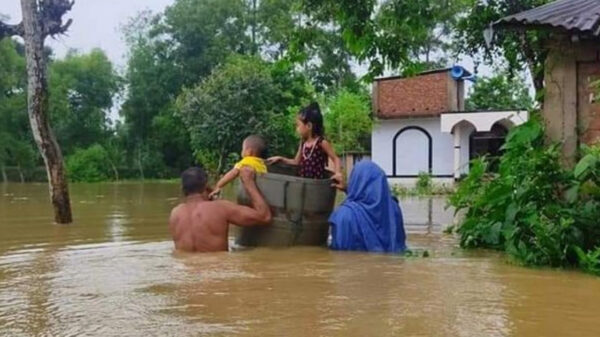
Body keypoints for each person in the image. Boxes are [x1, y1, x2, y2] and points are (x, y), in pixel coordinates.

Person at [169, 166, 272, 252]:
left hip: (186, 274)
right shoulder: (221, 207)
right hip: (215, 271)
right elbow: (264, 216)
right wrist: (249, 183)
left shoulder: (175, 213)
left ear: (182, 189)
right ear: (206, 185)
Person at [329, 160, 406, 253]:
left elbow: (340, 254)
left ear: (355, 180)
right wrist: (347, 189)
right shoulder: (394, 209)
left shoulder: (343, 215)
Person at [267, 102, 343, 184]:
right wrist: (281, 158)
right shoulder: (303, 143)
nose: (297, 129)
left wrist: (337, 173)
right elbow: (296, 162)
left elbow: (336, 159)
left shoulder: (321, 142)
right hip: (302, 184)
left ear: (309, 126)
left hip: (317, 186)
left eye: (298, 125)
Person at [209, 135, 267, 199]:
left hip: (247, 196)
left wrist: (218, 185)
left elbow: (233, 173)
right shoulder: (263, 164)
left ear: (249, 152)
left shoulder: (246, 161)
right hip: (261, 195)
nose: (242, 151)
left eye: (243, 149)